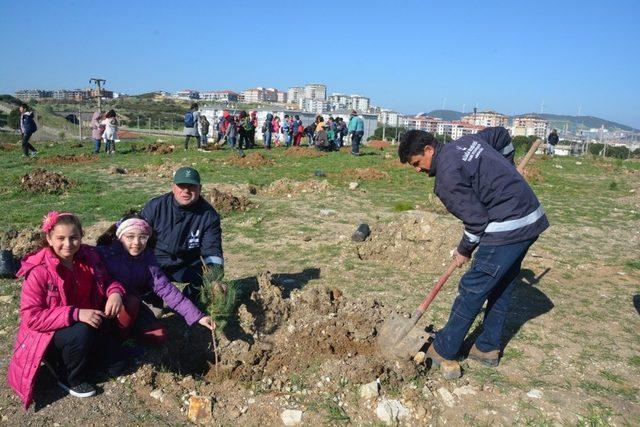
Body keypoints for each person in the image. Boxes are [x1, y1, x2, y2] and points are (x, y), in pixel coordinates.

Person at [397, 130, 549, 379]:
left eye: (417, 163)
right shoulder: (467, 141)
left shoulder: (446, 178)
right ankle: (486, 347)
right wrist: (508, 167)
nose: (417, 170)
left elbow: (477, 221)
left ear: (428, 150)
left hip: (508, 225)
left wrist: (463, 250)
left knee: (473, 286)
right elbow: (501, 136)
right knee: (500, 284)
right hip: (529, 217)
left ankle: (444, 349)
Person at [7, 212, 126, 407]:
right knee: (81, 330)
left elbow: (108, 280)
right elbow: (32, 317)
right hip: (49, 335)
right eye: (60, 238)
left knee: (117, 366)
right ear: (49, 239)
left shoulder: (89, 258)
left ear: (81, 236)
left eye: (74, 237)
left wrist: (115, 292)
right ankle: (67, 376)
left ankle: (83, 356)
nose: (68, 244)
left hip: (87, 323)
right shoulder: (39, 271)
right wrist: (76, 313)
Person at [96, 213, 215, 346]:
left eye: (142, 237)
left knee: (159, 335)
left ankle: (127, 334)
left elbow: (167, 290)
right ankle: (115, 342)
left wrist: (198, 317)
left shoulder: (147, 260)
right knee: (131, 302)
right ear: (120, 237)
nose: (136, 242)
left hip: (132, 309)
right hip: (103, 305)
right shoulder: (104, 254)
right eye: (130, 237)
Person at [141, 167, 224, 308]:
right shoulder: (156, 206)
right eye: (181, 186)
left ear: (200, 188)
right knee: (137, 272)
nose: (186, 191)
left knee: (207, 275)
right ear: (173, 187)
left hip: (186, 263)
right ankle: (154, 302)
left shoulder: (209, 216)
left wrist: (215, 277)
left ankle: (188, 299)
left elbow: (212, 250)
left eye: (191, 186)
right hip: (157, 262)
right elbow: (137, 235)